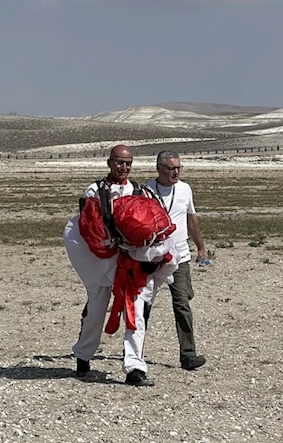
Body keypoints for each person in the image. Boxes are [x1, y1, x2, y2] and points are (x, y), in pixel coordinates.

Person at [64, 144, 165, 387]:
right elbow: (89, 226)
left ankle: (135, 368)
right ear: (109, 162)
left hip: (131, 261)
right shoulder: (95, 191)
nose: (124, 167)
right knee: (96, 310)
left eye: (128, 163)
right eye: (119, 162)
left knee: (136, 312)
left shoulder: (141, 192)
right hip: (103, 258)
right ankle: (83, 354)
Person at [144, 151, 207, 371]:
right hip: (153, 257)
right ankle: (135, 352)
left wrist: (201, 247)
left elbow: (191, 218)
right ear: (159, 168)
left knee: (182, 303)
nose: (176, 172)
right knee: (144, 304)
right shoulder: (146, 191)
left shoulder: (185, 189)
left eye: (179, 168)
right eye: (171, 168)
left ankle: (188, 355)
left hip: (180, 256)